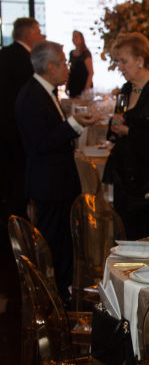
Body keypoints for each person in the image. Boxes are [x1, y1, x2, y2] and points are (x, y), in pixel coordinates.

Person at [15, 40, 94, 302]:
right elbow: (42, 142)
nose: (68, 69)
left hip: (57, 182)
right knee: (52, 244)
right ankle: (54, 300)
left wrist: (73, 123)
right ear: (50, 66)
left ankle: (63, 292)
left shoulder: (44, 91)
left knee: (62, 242)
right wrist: (73, 124)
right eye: (63, 64)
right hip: (48, 183)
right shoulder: (31, 95)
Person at [102, 32, 149, 239]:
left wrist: (130, 131)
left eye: (124, 61)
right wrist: (115, 125)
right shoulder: (126, 90)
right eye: (118, 61)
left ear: (140, 60)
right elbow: (115, 132)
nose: (120, 67)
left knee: (147, 237)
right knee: (124, 236)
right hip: (125, 177)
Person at [0, 16, 44, 220]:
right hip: (16, 130)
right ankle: (18, 225)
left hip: (5, 128)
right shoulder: (25, 60)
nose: (41, 36)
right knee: (17, 182)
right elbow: (29, 101)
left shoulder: (4, 53)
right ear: (29, 34)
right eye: (38, 32)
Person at [67, 30, 94, 97]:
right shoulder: (71, 53)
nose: (74, 39)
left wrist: (86, 89)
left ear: (81, 39)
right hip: (73, 85)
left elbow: (91, 73)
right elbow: (70, 69)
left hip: (83, 85)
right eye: (73, 37)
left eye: (76, 37)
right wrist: (66, 86)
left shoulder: (86, 54)